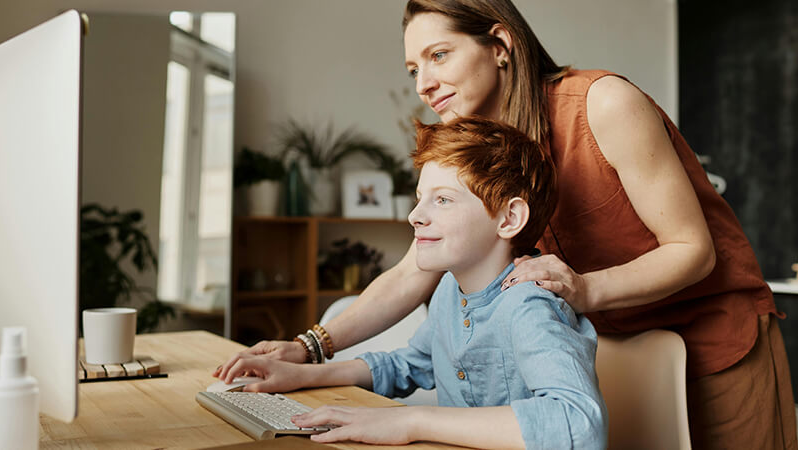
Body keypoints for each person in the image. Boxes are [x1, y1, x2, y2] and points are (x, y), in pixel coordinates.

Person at [216, 1, 797, 448]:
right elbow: (414, 270)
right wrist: (308, 347)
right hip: (612, 344)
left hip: (717, 340)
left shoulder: (602, 104)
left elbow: (692, 250)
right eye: (414, 68)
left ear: (500, 43)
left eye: (439, 56)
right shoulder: (488, 149)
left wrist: (584, 288)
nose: (423, 84)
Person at [217, 117, 607, 449]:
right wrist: (304, 373)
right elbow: (410, 365)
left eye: (443, 200)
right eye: (420, 198)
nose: (415, 216)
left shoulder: (529, 306)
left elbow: (578, 422)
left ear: (508, 219)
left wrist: (413, 422)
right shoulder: (449, 293)